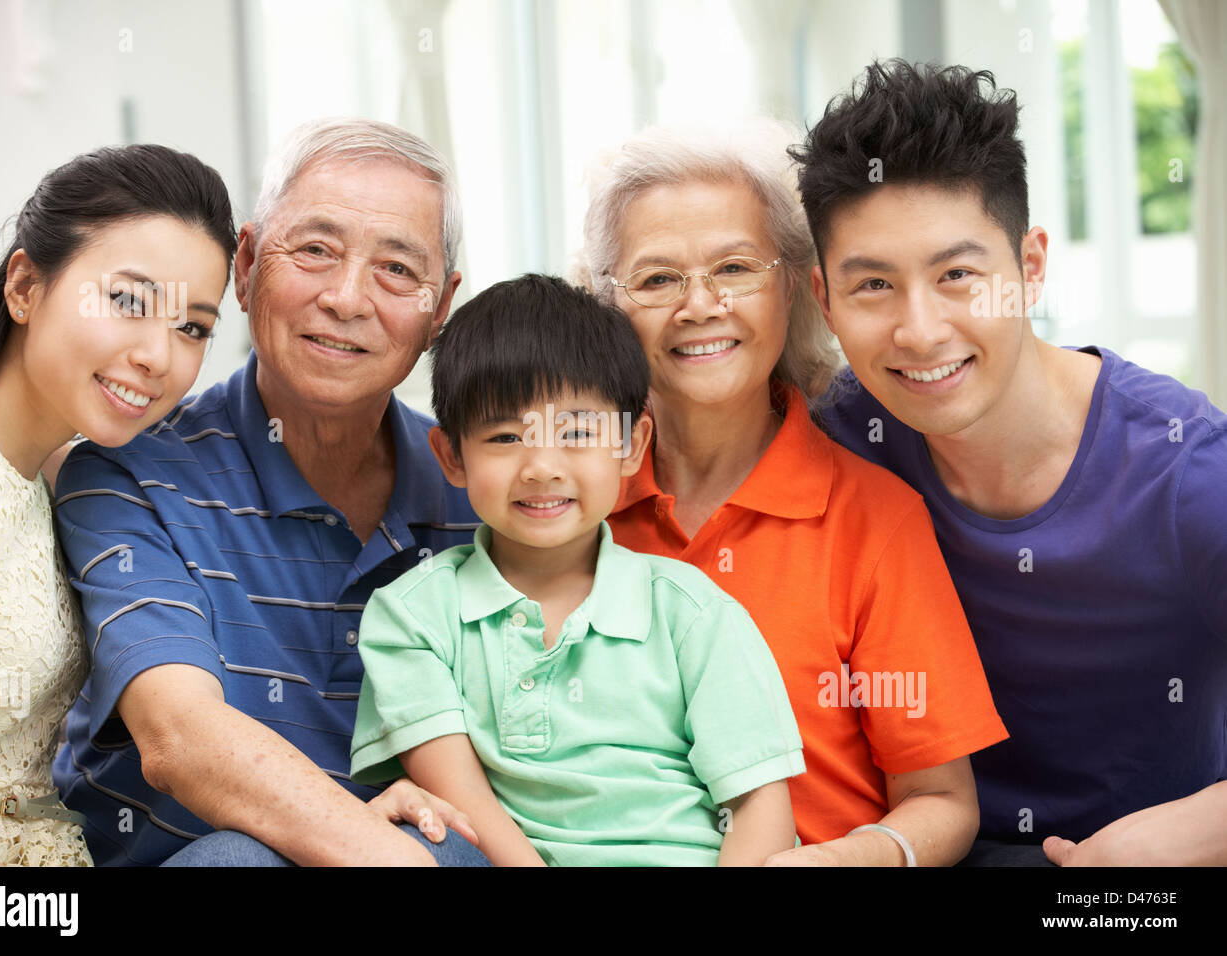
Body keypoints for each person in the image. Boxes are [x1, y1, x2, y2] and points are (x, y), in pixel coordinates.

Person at [796, 60, 1227, 866]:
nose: (919, 331)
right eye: (875, 286)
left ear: (1029, 268)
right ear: (824, 300)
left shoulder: (1185, 469)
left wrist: (1196, 832)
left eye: (957, 275)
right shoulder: (843, 437)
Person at [51, 118, 487, 867]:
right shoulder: (128, 473)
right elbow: (182, 741)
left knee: (460, 844)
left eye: (395, 270)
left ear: (440, 307)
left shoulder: (480, 495)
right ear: (246, 266)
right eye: (315, 251)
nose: (347, 299)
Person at [582, 122, 1010, 866]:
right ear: (606, 306)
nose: (700, 306)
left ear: (792, 287)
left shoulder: (873, 519)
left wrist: (840, 861)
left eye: (735, 268)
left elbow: (942, 801)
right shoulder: (558, 502)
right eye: (657, 280)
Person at [350, 274, 804, 866]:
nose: (542, 467)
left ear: (632, 446)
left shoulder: (691, 612)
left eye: (578, 433)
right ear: (452, 456)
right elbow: (462, 803)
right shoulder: (410, 616)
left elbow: (759, 806)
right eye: (506, 435)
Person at [0, 144, 236, 865]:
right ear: (25, 287)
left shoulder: (70, 479)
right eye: (129, 301)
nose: (159, 356)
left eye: (192, 327)